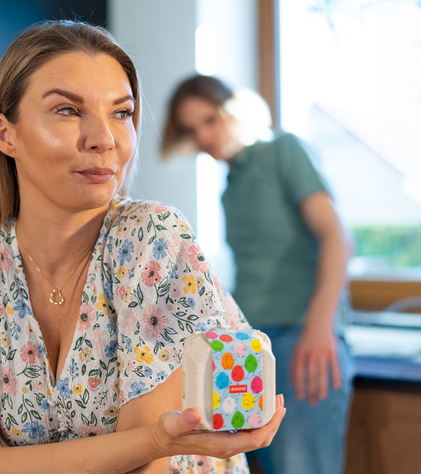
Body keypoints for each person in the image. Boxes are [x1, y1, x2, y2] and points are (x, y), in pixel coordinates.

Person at [0, 22, 286, 474]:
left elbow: (146, 469)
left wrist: (149, 446)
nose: (104, 139)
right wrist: (148, 441)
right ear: (6, 135)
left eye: (121, 113)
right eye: (67, 110)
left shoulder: (152, 238)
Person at [161, 74, 356, 474]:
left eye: (209, 120)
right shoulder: (230, 187)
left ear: (232, 111)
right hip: (250, 342)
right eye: (191, 129)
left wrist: (320, 329)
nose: (202, 136)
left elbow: (337, 238)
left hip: (300, 336)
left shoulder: (282, 150)